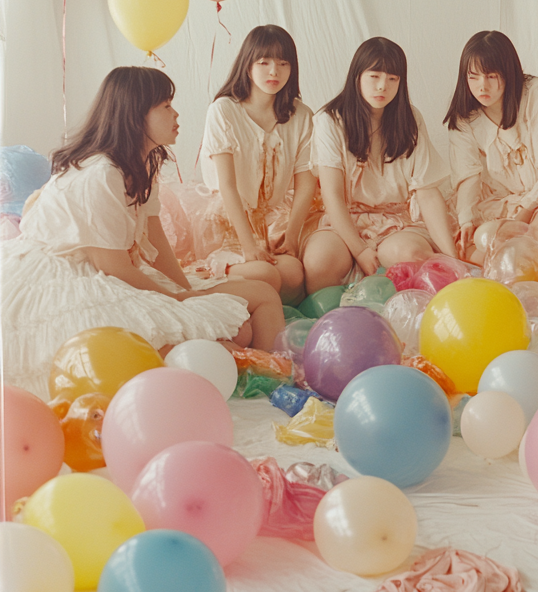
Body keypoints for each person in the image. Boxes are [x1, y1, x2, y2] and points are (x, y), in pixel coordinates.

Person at [1, 67, 284, 398]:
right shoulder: (101, 174)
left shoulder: (139, 163)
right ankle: (253, 382)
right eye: (166, 105)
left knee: (257, 300)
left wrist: (186, 291)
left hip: (111, 268)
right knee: (217, 339)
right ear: (136, 116)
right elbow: (112, 265)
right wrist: (181, 300)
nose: (176, 113)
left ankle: (273, 383)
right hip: (68, 277)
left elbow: (156, 237)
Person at [304, 37, 457, 292]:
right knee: (320, 261)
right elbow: (332, 196)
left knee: (411, 253)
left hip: (394, 220)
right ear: (357, 76)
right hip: (342, 220)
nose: (382, 86)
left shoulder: (409, 119)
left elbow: (427, 191)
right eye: (374, 76)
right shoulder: (329, 120)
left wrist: (451, 259)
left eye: (392, 79)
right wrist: (360, 250)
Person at [445, 30, 538, 261]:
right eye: (473, 77)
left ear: (508, 72)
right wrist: (466, 219)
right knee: (467, 245)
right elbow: (469, 176)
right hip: (500, 199)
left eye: (491, 76)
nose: (482, 86)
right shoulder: (465, 118)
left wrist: (523, 214)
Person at [200, 25, 317, 304]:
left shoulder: (301, 115)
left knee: (293, 276)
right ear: (247, 65)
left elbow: (306, 184)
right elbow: (227, 185)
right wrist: (249, 246)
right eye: (263, 62)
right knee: (266, 275)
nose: (273, 72)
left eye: (282, 63)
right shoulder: (223, 110)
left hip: (276, 221)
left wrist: (291, 236)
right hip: (232, 220)